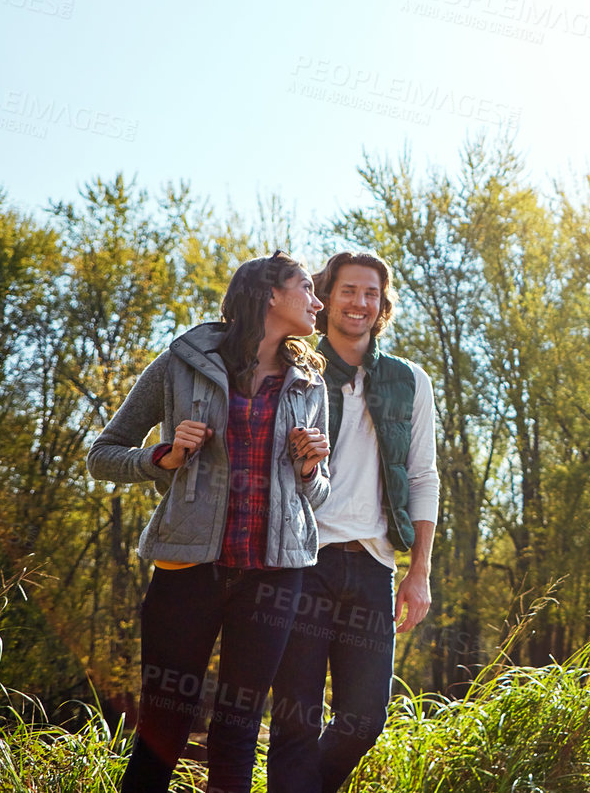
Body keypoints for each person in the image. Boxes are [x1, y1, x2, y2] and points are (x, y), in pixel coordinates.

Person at [88, 251, 332, 793]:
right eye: (307, 289)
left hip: (274, 576)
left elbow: (316, 492)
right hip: (188, 568)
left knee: (239, 728)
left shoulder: (310, 383)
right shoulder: (182, 362)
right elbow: (102, 453)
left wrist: (311, 467)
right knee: (165, 725)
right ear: (270, 294)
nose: (319, 303)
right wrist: (163, 458)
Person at [267, 250, 439, 793]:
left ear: (382, 304)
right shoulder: (291, 372)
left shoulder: (410, 381)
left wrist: (419, 571)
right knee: (296, 720)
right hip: (300, 560)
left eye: (370, 293)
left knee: (365, 719)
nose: (359, 303)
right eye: (347, 291)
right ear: (326, 295)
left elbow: (422, 478)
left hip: (372, 565)